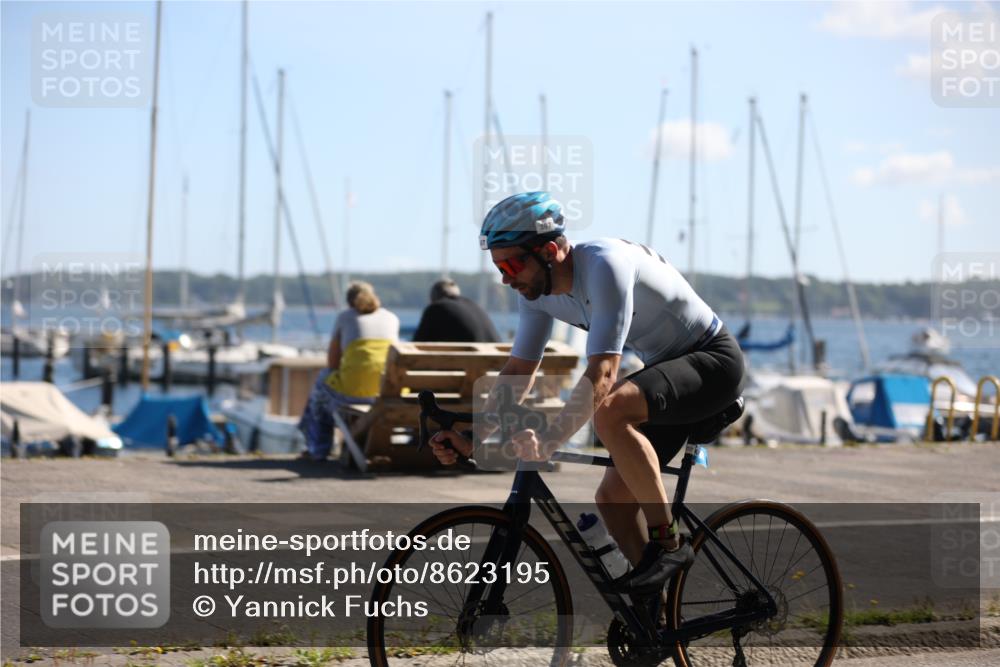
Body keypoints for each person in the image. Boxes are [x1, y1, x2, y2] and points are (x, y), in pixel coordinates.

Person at [429, 191, 744, 595]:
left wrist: (548, 440)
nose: (506, 279)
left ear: (549, 251)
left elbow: (603, 373)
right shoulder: (537, 294)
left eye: (510, 264)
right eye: (498, 268)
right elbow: (519, 370)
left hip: (713, 361)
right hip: (666, 371)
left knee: (610, 411)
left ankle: (669, 542)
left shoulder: (604, 266)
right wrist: (476, 435)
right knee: (612, 500)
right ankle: (654, 617)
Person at [298, 281, 399, 461]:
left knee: (321, 383)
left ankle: (318, 449)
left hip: (352, 393)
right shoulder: (392, 318)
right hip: (384, 393)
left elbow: (333, 363)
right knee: (325, 384)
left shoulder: (345, 317)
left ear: (349, 301)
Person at [412, 279, 501, 343]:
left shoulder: (436, 308)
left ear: (433, 297)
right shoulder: (474, 306)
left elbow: (417, 344)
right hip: (496, 366)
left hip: (470, 366)